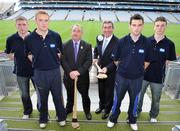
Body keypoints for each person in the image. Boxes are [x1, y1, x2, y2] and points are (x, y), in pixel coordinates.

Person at [107, 14, 153, 131]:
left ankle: (132, 120)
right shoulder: (121, 41)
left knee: (134, 101)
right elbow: (116, 60)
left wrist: (138, 70)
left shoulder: (147, 42)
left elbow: (147, 61)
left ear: (142, 26)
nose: (136, 28)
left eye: (139, 25)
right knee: (117, 100)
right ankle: (113, 118)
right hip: (121, 77)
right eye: (134, 25)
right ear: (129, 26)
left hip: (137, 78)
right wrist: (125, 68)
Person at [25, 10, 66, 129]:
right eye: (41, 20)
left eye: (46, 20)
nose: (43, 23)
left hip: (54, 72)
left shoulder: (56, 36)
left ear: (49, 21)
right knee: (42, 98)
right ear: (36, 21)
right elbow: (28, 55)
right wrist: (39, 63)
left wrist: (51, 62)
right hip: (39, 73)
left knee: (58, 96)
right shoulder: (29, 38)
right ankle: (43, 118)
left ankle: (61, 117)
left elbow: (59, 54)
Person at [137, 16, 176, 123]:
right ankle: (136, 112)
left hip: (158, 77)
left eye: (162, 25)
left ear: (165, 27)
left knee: (156, 99)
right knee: (139, 97)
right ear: (154, 27)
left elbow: (169, 62)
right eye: (157, 25)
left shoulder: (170, 44)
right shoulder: (146, 41)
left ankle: (153, 115)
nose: (160, 28)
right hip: (143, 76)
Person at [5, 16, 36, 120]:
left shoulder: (35, 37)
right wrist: (17, 57)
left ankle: (43, 111)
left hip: (36, 70)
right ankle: (27, 112)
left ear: (28, 25)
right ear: (16, 25)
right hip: (21, 71)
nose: (22, 27)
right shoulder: (11, 39)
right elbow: (9, 54)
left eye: (24, 24)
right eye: (19, 24)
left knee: (41, 93)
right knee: (24, 94)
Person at [61, 24, 92, 120]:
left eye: (78, 31)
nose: (76, 33)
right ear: (71, 32)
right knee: (70, 95)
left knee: (85, 95)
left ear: (81, 33)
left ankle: (87, 111)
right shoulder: (64, 45)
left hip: (82, 77)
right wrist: (70, 72)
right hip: (69, 77)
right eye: (74, 30)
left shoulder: (87, 46)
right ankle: (69, 109)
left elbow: (89, 61)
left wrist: (78, 72)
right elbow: (63, 60)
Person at [93, 21, 118, 119]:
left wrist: (107, 68)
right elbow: (96, 49)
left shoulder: (117, 42)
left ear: (113, 28)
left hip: (110, 71)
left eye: (109, 27)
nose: (107, 30)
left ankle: (107, 109)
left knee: (109, 92)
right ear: (102, 29)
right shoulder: (99, 38)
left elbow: (117, 60)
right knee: (101, 90)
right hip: (100, 70)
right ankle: (101, 106)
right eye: (105, 27)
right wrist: (95, 57)